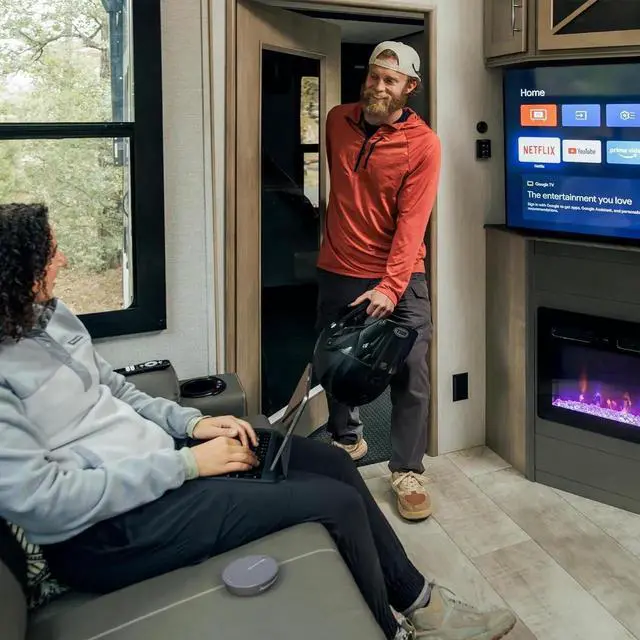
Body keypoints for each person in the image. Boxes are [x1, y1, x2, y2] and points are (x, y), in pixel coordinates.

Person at [0, 203, 515, 640]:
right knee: (333, 505)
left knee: (334, 465)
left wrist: (192, 425)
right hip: (110, 530)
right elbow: (45, 502)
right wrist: (189, 466)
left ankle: (424, 606)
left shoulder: (53, 318)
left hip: (162, 461)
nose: (63, 260)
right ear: (17, 273)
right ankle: (394, 632)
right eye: (50, 254)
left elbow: (117, 389)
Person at [317, 41, 440, 522]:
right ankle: (347, 439)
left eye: (391, 79)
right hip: (340, 268)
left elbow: (413, 222)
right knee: (335, 362)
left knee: (411, 373)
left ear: (410, 87)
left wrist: (390, 285)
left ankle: (407, 470)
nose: (379, 86)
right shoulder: (336, 121)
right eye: (374, 75)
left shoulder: (423, 144)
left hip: (402, 274)